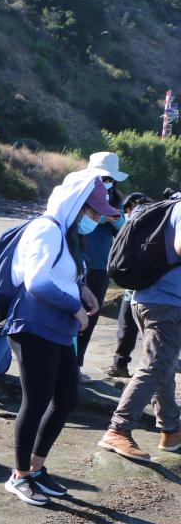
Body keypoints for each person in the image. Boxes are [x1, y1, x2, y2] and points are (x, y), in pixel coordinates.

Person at [3, 171, 118, 506]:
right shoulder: (45, 229)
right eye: (93, 212)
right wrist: (75, 307)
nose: (96, 218)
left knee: (66, 398)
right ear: (76, 206)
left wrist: (82, 291)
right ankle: (19, 475)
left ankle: (36, 468)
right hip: (34, 325)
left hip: (59, 328)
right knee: (36, 401)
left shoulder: (65, 233)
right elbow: (37, 283)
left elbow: (62, 273)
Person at [98, 196, 181, 460]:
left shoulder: (170, 206)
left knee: (163, 366)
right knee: (156, 366)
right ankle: (118, 430)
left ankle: (172, 430)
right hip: (166, 303)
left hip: (146, 298)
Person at [75, 154, 129, 376]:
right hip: (76, 263)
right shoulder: (78, 193)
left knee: (90, 316)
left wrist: (115, 219)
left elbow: (124, 231)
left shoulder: (116, 200)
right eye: (104, 177)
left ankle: (75, 366)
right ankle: (63, 364)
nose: (107, 181)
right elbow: (74, 226)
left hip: (99, 266)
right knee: (68, 314)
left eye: (110, 178)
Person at [107, 192, 152, 378]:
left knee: (129, 326)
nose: (131, 212)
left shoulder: (138, 227)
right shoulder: (150, 225)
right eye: (128, 209)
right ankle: (121, 364)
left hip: (141, 287)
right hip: (137, 287)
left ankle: (126, 365)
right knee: (127, 326)